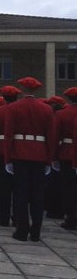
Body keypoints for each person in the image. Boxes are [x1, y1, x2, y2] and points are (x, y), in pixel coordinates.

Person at [4, 77, 55, 242]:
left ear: (22, 89)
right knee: (37, 195)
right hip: (39, 154)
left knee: (21, 194)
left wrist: (8, 157)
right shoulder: (46, 109)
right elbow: (51, 136)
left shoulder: (13, 107)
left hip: (19, 153)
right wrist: (49, 159)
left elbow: (9, 134)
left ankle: (22, 229)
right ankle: (36, 231)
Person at [0, 85, 21, 226]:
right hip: (19, 150)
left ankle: (3, 216)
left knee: (2, 186)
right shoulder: (21, 110)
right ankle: (18, 216)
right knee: (19, 187)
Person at [55, 87, 77, 230]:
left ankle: (70, 217)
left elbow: (56, 136)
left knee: (68, 188)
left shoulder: (62, 114)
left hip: (67, 153)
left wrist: (54, 156)